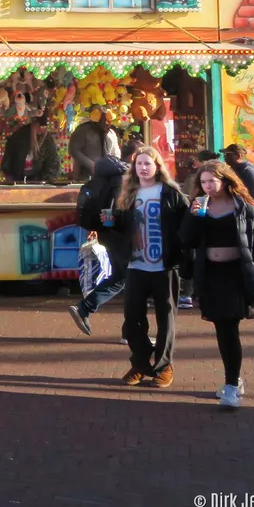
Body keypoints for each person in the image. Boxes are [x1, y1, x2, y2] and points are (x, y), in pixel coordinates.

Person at [180, 160, 254, 409]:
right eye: (204, 182)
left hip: (236, 275)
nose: (207, 186)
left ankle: (231, 386)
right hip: (210, 275)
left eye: (212, 181)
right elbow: (186, 240)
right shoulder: (199, 207)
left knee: (229, 328)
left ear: (225, 180)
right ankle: (234, 379)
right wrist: (194, 217)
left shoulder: (245, 209)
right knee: (222, 328)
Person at [99, 145, 190, 388]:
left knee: (166, 317)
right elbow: (121, 226)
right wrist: (110, 222)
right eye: (139, 164)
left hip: (165, 266)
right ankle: (140, 363)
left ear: (157, 166)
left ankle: (163, 366)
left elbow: (185, 226)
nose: (143, 167)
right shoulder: (128, 193)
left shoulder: (170, 193)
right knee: (133, 319)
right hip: (136, 265)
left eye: (148, 163)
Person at [68, 147, 132, 337]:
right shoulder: (121, 181)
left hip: (106, 233)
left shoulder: (96, 181)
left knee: (121, 277)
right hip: (120, 234)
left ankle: (85, 308)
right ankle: (129, 332)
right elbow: (119, 208)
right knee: (130, 279)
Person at [177, 150, 220, 309]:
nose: (208, 184)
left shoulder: (197, 177)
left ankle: (189, 293)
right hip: (200, 228)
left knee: (193, 258)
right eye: (204, 182)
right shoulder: (198, 180)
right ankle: (192, 292)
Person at [0, 114, 61, 183]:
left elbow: (53, 162)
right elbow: (9, 156)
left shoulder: (48, 140)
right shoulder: (20, 136)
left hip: (39, 179)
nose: (42, 129)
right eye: (39, 126)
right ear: (33, 124)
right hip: (18, 177)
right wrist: (9, 176)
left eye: (44, 127)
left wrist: (45, 180)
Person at [68, 109, 109, 181]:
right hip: (85, 177)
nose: (107, 122)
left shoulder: (109, 132)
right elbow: (73, 150)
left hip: (104, 177)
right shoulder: (83, 130)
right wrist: (92, 165)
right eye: (104, 119)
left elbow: (114, 153)